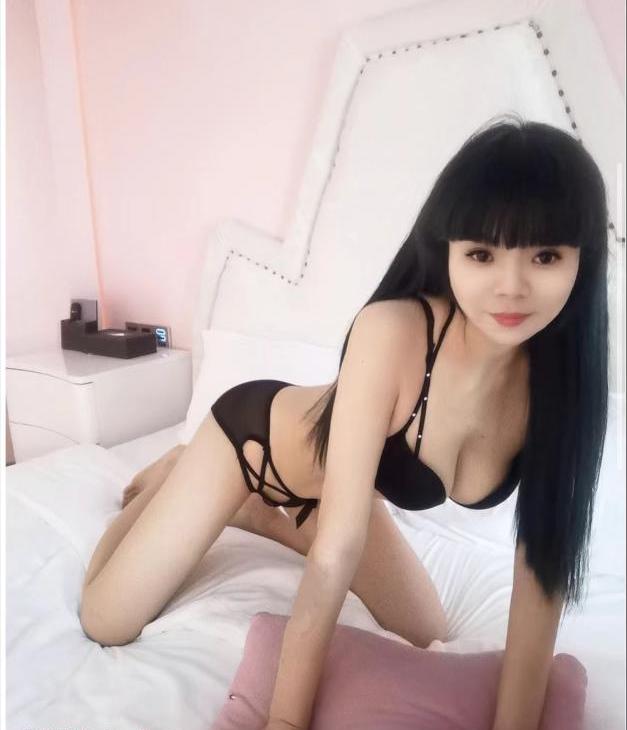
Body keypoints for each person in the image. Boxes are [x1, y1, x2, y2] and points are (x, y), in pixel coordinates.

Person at [79, 114, 610, 730]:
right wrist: (285, 722)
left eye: (544, 255)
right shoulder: (394, 333)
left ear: (582, 258)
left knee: (428, 631)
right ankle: (183, 474)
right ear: (447, 252)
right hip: (252, 444)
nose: (510, 287)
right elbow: (335, 554)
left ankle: (265, 517)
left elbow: (542, 571)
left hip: (338, 492)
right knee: (105, 620)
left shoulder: (562, 389)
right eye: (481, 254)